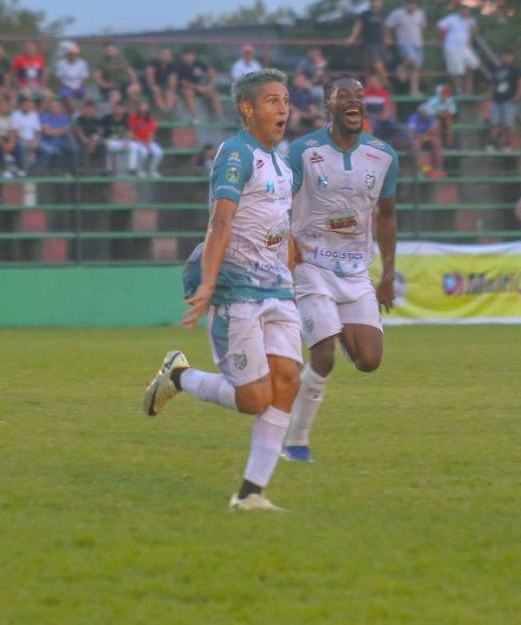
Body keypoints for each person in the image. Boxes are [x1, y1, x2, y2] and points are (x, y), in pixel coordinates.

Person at [142, 69, 301, 511]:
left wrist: (293, 280)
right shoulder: (236, 153)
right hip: (236, 286)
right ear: (247, 109)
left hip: (276, 287)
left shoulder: (282, 162)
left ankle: (251, 495)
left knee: (288, 382)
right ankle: (179, 376)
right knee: (254, 399)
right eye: (271, 100)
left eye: (285, 99)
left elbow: (282, 228)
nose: (283, 108)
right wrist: (209, 282)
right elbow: (221, 222)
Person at [282, 74, 399, 463]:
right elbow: (280, 204)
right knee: (324, 357)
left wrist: (386, 276)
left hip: (355, 271)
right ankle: (295, 441)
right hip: (311, 264)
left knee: (370, 360)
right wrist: (288, 246)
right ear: (327, 106)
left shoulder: (383, 155)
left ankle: (336, 332)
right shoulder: (303, 151)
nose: (354, 102)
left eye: (359, 96)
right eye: (343, 96)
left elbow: (387, 216)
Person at [385, 0, 426, 95]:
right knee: (412, 60)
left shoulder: (420, 14)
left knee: (416, 68)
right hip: (404, 43)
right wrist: (388, 38)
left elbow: (422, 26)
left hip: (417, 44)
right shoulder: (398, 13)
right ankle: (401, 68)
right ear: (405, 5)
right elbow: (387, 25)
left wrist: (422, 38)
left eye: (414, 4)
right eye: (410, 4)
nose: (412, 6)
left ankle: (414, 90)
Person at [347, 0, 390, 86]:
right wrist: (352, 37)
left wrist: (388, 38)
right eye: (374, 1)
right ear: (371, 2)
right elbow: (358, 26)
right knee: (377, 66)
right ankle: (387, 86)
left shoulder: (383, 14)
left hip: (381, 43)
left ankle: (379, 88)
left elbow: (386, 27)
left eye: (378, 1)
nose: (376, 3)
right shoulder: (365, 14)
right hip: (370, 43)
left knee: (377, 68)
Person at [437, 5, 480, 95]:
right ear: (460, 11)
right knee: (457, 71)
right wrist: (443, 38)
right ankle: (459, 90)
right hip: (452, 47)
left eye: (466, 11)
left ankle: (467, 89)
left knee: (474, 64)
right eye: (463, 10)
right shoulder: (452, 18)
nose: (465, 12)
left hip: (465, 48)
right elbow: (440, 26)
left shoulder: (471, 20)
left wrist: (473, 29)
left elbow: (475, 33)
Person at [488, 50, 521, 151]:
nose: (506, 58)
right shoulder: (497, 68)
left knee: (508, 124)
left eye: (509, 56)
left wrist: (518, 95)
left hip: (510, 100)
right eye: (505, 55)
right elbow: (493, 83)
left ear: (513, 57)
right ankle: (492, 143)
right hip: (497, 99)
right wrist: (490, 95)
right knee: (495, 122)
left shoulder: (517, 69)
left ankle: (507, 144)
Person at [177, 50, 222, 120]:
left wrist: (209, 84)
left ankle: (219, 116)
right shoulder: (179, 66)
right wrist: (198, 87)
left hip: (200, 87)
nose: (189, 57)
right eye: (187, 55)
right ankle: (194, 116)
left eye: (191, 55)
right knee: (188, 93)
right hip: (186, 88)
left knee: (213, 93)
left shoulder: (198, 63)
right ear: (183, 57)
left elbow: (210, 70)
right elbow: (182, 82)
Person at [406, 106, 444, 177]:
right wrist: (422, 136)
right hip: (416, 139)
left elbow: (435, 132)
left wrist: (430, 133)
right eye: (426, 115)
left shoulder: (431, 118)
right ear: (421, 114)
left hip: (428, 139)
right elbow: (410, 133)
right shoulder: (414, 118)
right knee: (416, 144)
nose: (428, 117)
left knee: (437, 143)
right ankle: (418, 170)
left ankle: (438, 168)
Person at [39, 99, 75, 173]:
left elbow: (66, 131)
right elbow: (47, 132)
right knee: (53, 150)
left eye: (56, 106)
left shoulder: (64, 117)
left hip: (62, 140)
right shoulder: (45, 117)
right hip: (49, 140)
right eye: (52, 107)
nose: (54, 108)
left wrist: (54, 131)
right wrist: (59, 131)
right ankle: (53, 172)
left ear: (60, 108)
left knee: (72, 148)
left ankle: (70, 172)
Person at [128, 101, 163, 178]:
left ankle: (153, 171)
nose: (143, 108)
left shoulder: (151, 118)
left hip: (148, 141)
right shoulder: (133, 117)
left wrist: (149, 143)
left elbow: (152, 132)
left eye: (145, 106)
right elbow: (131, 133)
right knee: (144, 153)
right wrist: (142, 142)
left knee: (158, 152)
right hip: (137, 141)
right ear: (139, 107)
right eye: (142, 106)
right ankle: (139, 170)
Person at [11, 99, 45, 174]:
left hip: (33, 140)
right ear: (21, 105)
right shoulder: (16, 114)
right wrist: (28, 142)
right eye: (26, 105)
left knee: (48, 150)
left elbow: (38, 131)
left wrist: (36, 141)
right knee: (23, 146)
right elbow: (15, 132)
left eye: (30, 106)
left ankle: (36, 169)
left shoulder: (34, 115)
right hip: (21, 139)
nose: (28, 107)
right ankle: (24, 170)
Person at [0, 99, 21, 176]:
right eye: (3, 107)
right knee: (0, 149)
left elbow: (12, 132)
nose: (6, 108)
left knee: (19, 147)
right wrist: (3, 144)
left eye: (6, 107)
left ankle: (20, 169)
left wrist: (11, 143)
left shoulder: (10, 117)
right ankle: (5, 170)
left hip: (7, 138)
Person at [100, 101, 132, 175]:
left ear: (124, 110)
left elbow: (129, 132)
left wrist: (127, 140)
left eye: (120, 109)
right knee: (108, 145)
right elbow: (99, 130)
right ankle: (108, 169)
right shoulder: (106, 119)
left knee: (132, 146)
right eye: (117, 108)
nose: (118, 110)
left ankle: (131, 169)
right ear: (113, 109)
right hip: (109, 140)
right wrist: (102, 139)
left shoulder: (126, 119)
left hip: (122, 141)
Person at [145, 48, 179, 115]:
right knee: (157, 92)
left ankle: (168, 110)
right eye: (164, 54)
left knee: (169, 93)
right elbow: (150, 77)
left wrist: (173, 92)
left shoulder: (172, 65)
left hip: (163, 85)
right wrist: (153, 87)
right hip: (149, 85)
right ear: (159, 54)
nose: (166, 56)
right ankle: (164, 110)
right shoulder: (152, 62)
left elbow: (173, 79)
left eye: (168, 54)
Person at [73, 100, 103, 170]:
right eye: (87, 109)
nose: (89, 111)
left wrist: (93, 143)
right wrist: (89, 143)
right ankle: (83, 170)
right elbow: (80, 135)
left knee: (102, 146)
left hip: (94, 142)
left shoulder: (97, 121)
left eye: (92, 109)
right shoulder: (78, 120)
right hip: (81, 142)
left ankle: (103, 170)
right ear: (83, 109)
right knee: (84, 146)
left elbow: (98, 134)